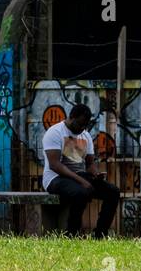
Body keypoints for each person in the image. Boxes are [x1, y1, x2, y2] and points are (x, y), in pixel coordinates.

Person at [43, 102, 120, 238]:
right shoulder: (55, 132)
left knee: (113, 192)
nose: (82, 128)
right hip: (55, 178)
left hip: (78, 176)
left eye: (85, 125)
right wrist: (82, 181)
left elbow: (89, 163)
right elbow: (55, 165)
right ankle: (72, 234)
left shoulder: (85, 135)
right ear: (71, 117)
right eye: (80, 124)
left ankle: (100, 234)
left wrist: (95, 173)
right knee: (81, 192)